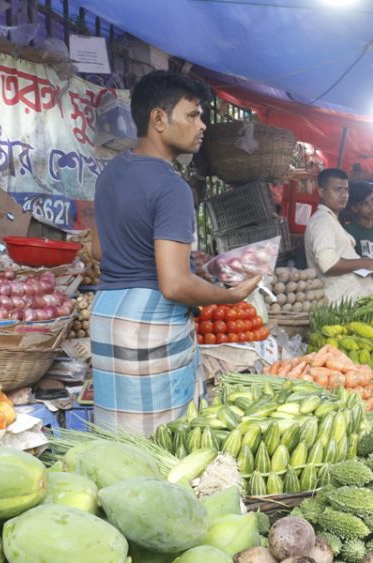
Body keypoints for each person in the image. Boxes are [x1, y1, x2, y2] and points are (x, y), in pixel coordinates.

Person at [91, 71, 260, 436]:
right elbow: (174, 285)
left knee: (118, 443)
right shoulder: (171, 187)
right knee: (165, 444)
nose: (202, 125)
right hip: (151, 322)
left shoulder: (112, 171)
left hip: (107, 315)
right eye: (192, 115)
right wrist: (229, 296)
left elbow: (99, 248)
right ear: (158, 119)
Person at [304, 169, 373, 303]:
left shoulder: (331, 220)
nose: (343, 195)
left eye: (346, 190)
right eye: (337, 189)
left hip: (349, 304)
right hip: (339, 307)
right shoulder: (322, 222)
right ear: (321, 192)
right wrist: (366, 263)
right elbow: (328, 264)